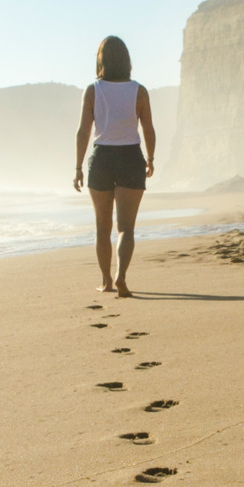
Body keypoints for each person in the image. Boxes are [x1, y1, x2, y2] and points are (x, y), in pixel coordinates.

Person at [73, 36, 155, 297]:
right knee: (126, 228)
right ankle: (122, 277)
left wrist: (77, 168)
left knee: (102, 226)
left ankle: (107, 280)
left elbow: (82, 132)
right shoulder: (138, 91)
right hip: (131, 156)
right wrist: (150, 159)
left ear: (101, 60)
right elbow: (149, 129)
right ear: (127, 61)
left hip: (102, 158)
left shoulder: (93, 90)